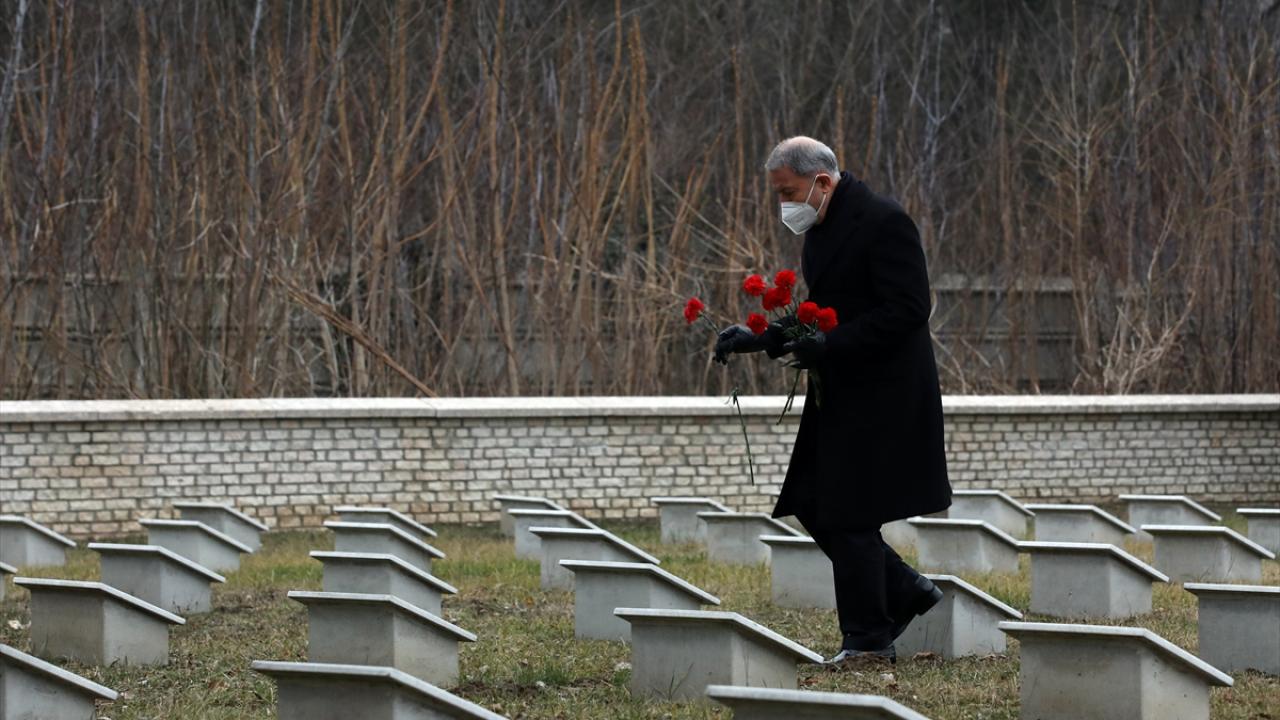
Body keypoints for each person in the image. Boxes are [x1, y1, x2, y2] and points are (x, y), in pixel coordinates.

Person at [714, 136, 952, 664]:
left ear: (822, 182)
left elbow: (909, 309)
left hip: (885, 395)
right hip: (842, 392)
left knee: (849, 514)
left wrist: (832, 344)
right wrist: (758, 338)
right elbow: (823, 311)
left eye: (789, 192)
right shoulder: (821, 229)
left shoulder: (884, 221)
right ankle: (907, 592)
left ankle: (869, 642)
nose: (784, 206)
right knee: (815, 503)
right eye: (778, 194)